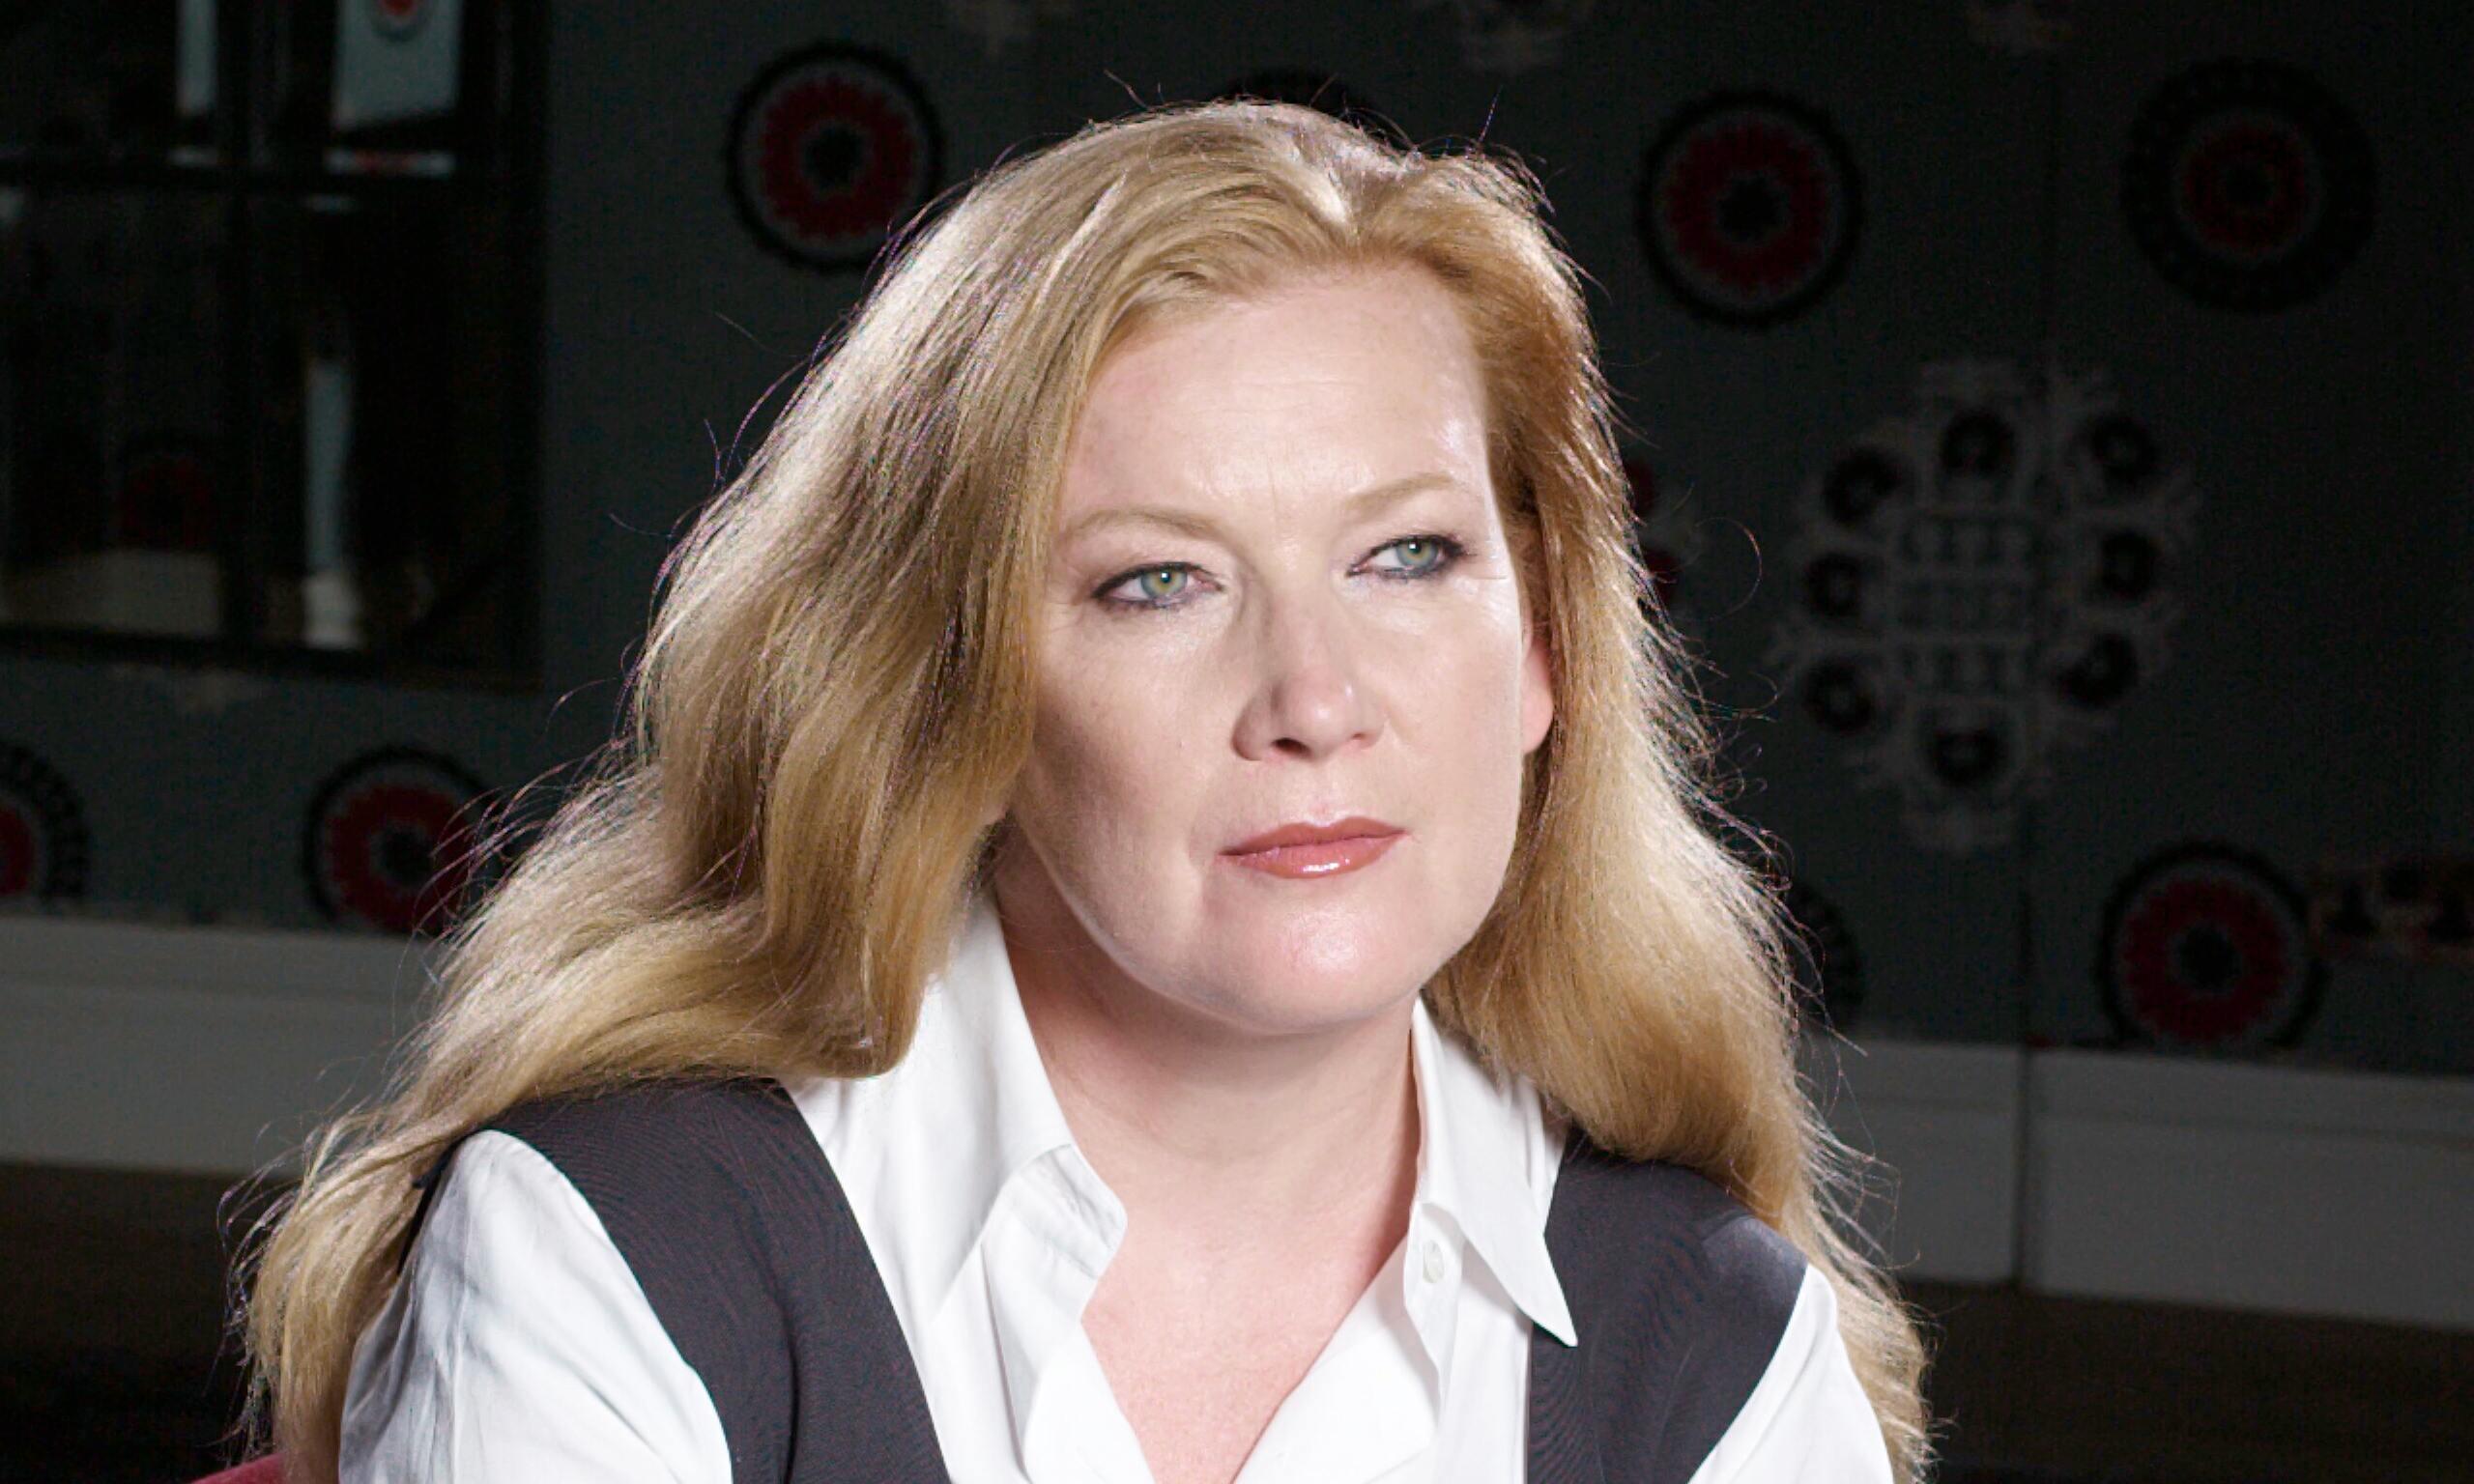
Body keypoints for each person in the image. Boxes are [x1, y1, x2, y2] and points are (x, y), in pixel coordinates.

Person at [223, 98, 1937, 1484]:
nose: (1316, 702)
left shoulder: (1719, 1350)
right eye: (1157, 583)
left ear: (1546, 641)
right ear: (953, 690)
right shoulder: (618, 1249)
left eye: (1407, 557)